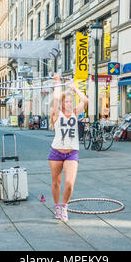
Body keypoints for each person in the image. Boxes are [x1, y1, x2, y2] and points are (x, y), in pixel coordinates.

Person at [48, 73, 88, 222]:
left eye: (71, 101)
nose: (70, 104)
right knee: (56, 182)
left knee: (70, 183)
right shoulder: (56, 114)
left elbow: (85, 100)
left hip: (72, 153)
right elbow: (57, 98)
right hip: (56, 153)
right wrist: (58, 82)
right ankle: (57, 206)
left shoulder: (75, 114)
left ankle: (64, 207)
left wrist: (74, 88)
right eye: (67, 101)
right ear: (63, 103)